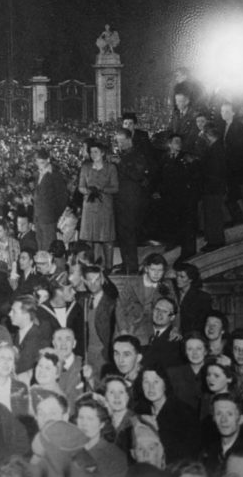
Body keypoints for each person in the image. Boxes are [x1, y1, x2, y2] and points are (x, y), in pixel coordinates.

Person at [112, 127, 151, 271]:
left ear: (129, 140)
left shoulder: (137, 155)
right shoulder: (122, 155)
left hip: (131, 201)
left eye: (121, 141)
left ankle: (132, 266)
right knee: (122, 235)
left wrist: (119, 164)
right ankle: (125, 263)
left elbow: (137, 175)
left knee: (130, 234)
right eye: (117, 142)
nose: (119, 144)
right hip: (120, 200)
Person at [78, 139, 119, 270]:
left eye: (96, 152)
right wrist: (88, 191)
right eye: (91, 152)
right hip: (89, 207)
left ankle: (108, 267)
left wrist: (101, 190)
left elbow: (115, 188)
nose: (93, 154)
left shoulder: (110, 168)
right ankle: (90, 266)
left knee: (107, 238)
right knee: (89, 239)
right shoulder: (85, 167)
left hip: (104, 207)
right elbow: (80, 187)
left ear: (102, 153)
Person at [117, 253, 174, 343]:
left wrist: (176, 328)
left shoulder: (167, 285)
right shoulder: (132, 283)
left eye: (160, 270)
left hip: (151, 327)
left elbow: (175, 308)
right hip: (130, 325)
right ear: (146, 269)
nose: (156, 274)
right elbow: (119, 307)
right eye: (153, 269)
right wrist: (123, 330)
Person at [30, 391, 88, 477]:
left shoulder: (77, 447)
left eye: (52, 413)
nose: (46, 419)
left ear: (65, 417)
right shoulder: (38, 446)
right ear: (36, 418)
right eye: (41, 414)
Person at [70, 396, 128, 477]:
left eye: (90, 419)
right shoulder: (68, 451)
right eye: (81, 418)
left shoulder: (114, 456)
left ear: (101, 424)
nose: (84, 424)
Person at [199, 394, 243, 476]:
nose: (223, 420)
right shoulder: (208, 452)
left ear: (241, 419)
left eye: (229, 414)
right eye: (219, 414)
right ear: (213, 418)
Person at [79, 264, 115, 379]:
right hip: (85, 355)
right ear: (84, 281)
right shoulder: (81, 301)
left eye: (96, 279)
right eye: (89, 280)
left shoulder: (111, 304)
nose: (93, 283)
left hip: (103, 355)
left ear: (103, 280)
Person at [33, 148, 70, 251]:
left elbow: (63, 197)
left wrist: (55, 214)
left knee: (48, 247)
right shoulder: (38, 174)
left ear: (48, 160)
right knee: (40, 246)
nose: (39, 164)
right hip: (38, 217)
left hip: (49, 217)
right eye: (37, 161)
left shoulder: (55, 175)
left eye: (41, 161)